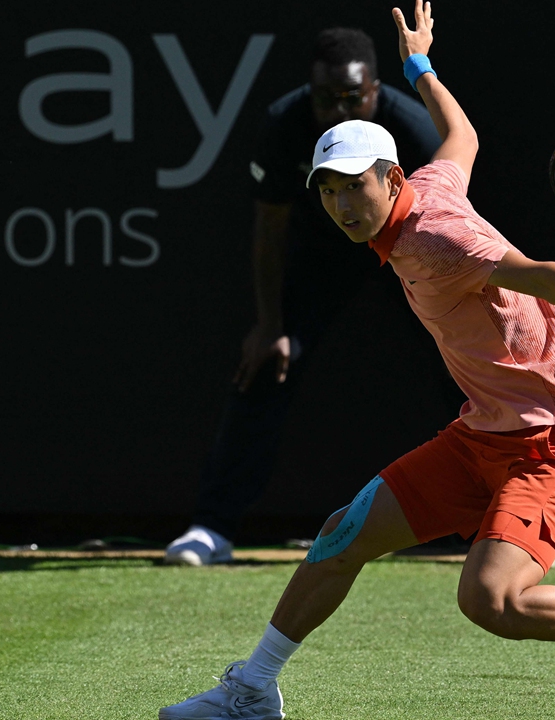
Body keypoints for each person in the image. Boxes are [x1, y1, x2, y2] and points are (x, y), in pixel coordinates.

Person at [159, 3, 555, 719]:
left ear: (389, 177)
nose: (343, 205)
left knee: (491, 599)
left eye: (355, 186)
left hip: (549, 445)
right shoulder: (432, 184)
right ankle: (252, 689)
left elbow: (541, 274)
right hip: (481, 434)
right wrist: (419, 64)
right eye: (328, 191)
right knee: (340, 537)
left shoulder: (438, 238)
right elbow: (462, 134)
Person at [165, 27, 443, 566]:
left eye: (351, 99)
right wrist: (271, 324)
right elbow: (269, 227)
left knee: (467, 362)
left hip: (409, 251)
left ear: (375, 91)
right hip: (320, 259)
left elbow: (450, 214)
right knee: (268, 363)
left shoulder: (412, 128)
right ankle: (212, 528)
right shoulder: (284, 124)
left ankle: (503, 516)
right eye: (325, 99)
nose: (338, 111)